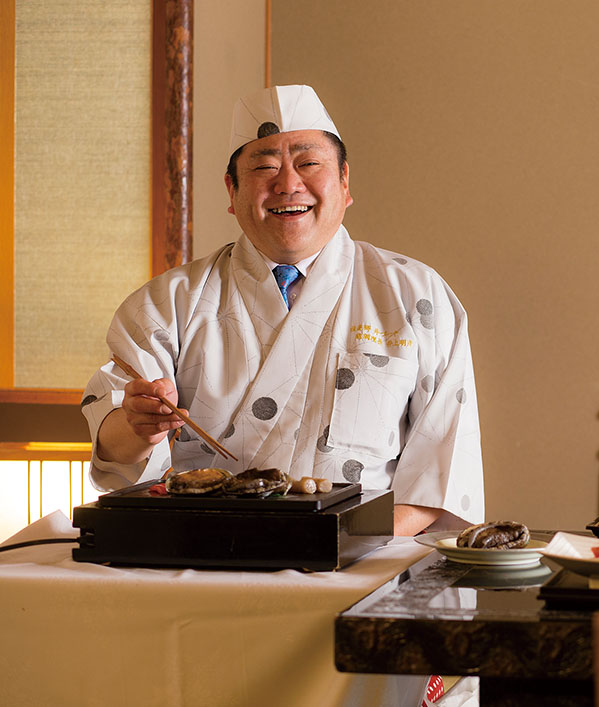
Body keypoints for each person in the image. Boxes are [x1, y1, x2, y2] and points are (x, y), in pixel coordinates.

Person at [81, 85, 484, 536]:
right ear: (232, 190)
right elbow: (115, 451)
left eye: (309, 164)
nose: (288, 184)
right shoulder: (166, 303)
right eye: (264, 167)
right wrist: (138, 426)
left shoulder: (416, 294)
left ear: (345, 182)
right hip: (204, 552)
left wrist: (340, 544)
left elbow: (441, 473)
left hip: (362, 555)